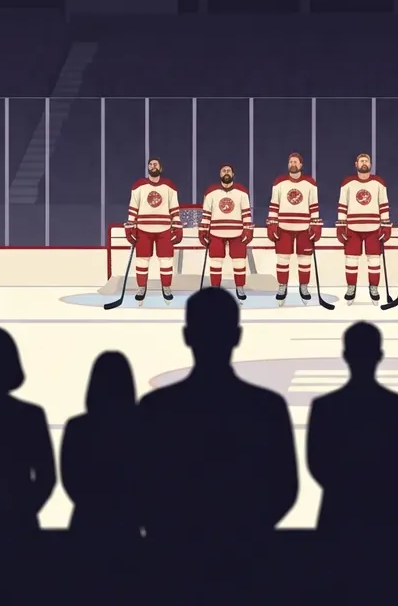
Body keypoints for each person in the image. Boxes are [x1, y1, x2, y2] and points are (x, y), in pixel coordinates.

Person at [136, 287, 299, 550]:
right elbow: (284, 489)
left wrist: (167, 534)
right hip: (246, 557)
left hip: (173, 556)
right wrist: (249, 533)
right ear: (237, 336)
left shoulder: (155, 407)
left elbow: (138, 484)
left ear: (187, 336)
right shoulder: (267, 408)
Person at [307, 321, 398, 534]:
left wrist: (345, 489)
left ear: (345, 355)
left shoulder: (324, 408)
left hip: (338, 513)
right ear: (379, 355)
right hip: (386, 515)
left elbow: (318, 463)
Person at [0, 327, 56, 536]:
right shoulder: (31, 415)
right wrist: (23, 510)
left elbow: (47, 477)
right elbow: (46, 477)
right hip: (17, 527)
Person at [61, 351, 141, 543]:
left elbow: (69, 478)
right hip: (127, 523)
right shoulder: (139, 427)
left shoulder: (77, 427)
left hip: (87, 522)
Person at [125, 157, 182, 304]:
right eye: (150, 164)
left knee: (166, 259)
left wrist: (177, 227)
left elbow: (174, 208)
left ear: (161, 168)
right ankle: (142, 288)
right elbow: (133, 207)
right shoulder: (139, 185)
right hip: (143, 229)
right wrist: (130, 226)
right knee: (142, 260)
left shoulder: (169, 186)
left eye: (155, 164)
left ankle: (166, 287)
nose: (153, 166)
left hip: (164, 229)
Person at [266, 152, 321, 305]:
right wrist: (272, 223)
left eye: (296, 162)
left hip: (304, 227)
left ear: (301, 165)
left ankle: (303, 287)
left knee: (305, 260)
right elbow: (274, 203)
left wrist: (315, 224)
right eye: (291, 162)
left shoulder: (310, 182)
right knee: (282, 259)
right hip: (283, 227)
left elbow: (313, 204)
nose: (293, 164)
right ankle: (282, 287)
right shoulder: (279, 182)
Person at [336, 153, 391, 305]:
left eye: (366, 161)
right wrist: (341, 226)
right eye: (361, 161)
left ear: (370, 163)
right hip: (352, 227)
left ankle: (374, 288)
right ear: (356, 164)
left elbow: (383, 204)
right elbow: (343, 204)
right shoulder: (348, 183)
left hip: (373, 228)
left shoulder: (379, 183)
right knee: (351, 259)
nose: (364, 163)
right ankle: (351, 287)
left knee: (374, 260)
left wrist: (385, 225)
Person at [199, 163, 254, 299]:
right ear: (220, 174)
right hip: (216, 233)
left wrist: (248, 230)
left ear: (233, 174)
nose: (226, 172)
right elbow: (206, 214)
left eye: (229, 170)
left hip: (237, 233)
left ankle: (240, 287)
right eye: (224, 171)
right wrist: (203, 231)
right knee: (216, 261)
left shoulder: (242, 192)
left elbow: (246, 213)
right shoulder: (211, 192)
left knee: (239, 261)